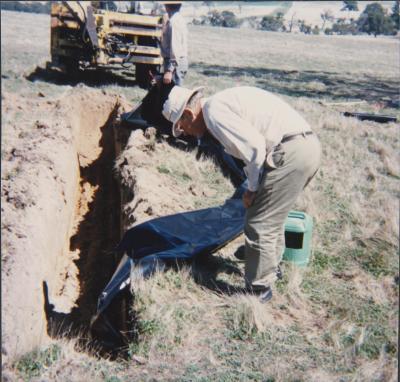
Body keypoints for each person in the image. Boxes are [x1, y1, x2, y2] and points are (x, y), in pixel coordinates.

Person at [161, 85, 321, 303]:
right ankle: (269, 267)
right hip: (306, 147)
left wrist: (252, 189)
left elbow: (255, 150)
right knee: (271, 216)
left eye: (182, 126)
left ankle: (258, 290)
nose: (185, 133)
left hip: (291, 151)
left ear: (189, 114)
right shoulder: (219, 105)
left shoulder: (214, 113)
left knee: (260, 222)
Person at [160, 1, 188, 86]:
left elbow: (175, 46)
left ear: (167, 6)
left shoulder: (174, 22)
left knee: (173, 96)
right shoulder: (179, 19)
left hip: (175, 64)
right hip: (178, 62)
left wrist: (169, 70)